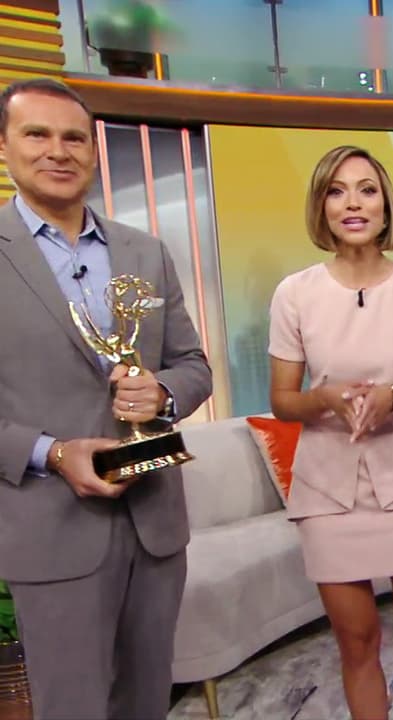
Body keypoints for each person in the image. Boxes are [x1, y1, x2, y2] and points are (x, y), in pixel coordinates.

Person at [0, 78, 212, 719]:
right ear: (5, 146)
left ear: (93, 152)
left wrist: (162, 392)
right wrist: (51, 452)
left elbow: (193, 366)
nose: (57, 151)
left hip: (154, 523)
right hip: (51, 529)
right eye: (37, 134)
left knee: (146, 703)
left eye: (74, 138)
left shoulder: (145, 251)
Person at [267, 145, 393, 720]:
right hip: (327, 491)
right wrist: (325, 398)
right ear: (321, 206)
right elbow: (283, 401)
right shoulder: (294, 293)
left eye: (367, 190)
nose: (353, 203)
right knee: (357, 645)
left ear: (385, 206)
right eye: (337, 190)